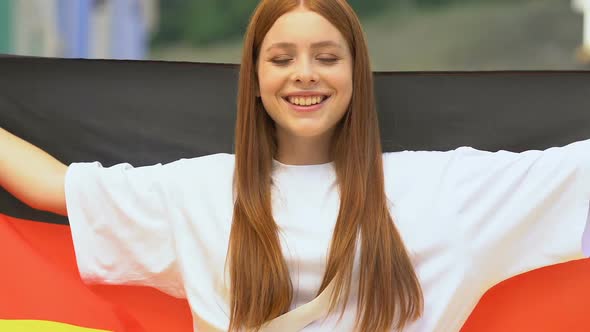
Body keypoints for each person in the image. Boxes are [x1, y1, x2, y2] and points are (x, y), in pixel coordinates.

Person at [1, 0, 589, 331]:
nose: (304, 72)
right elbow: (51, 188)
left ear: (355, 76)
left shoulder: (447, 188)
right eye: (282, 58)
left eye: (326, 57)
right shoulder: (200, 192)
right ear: (255, 82)